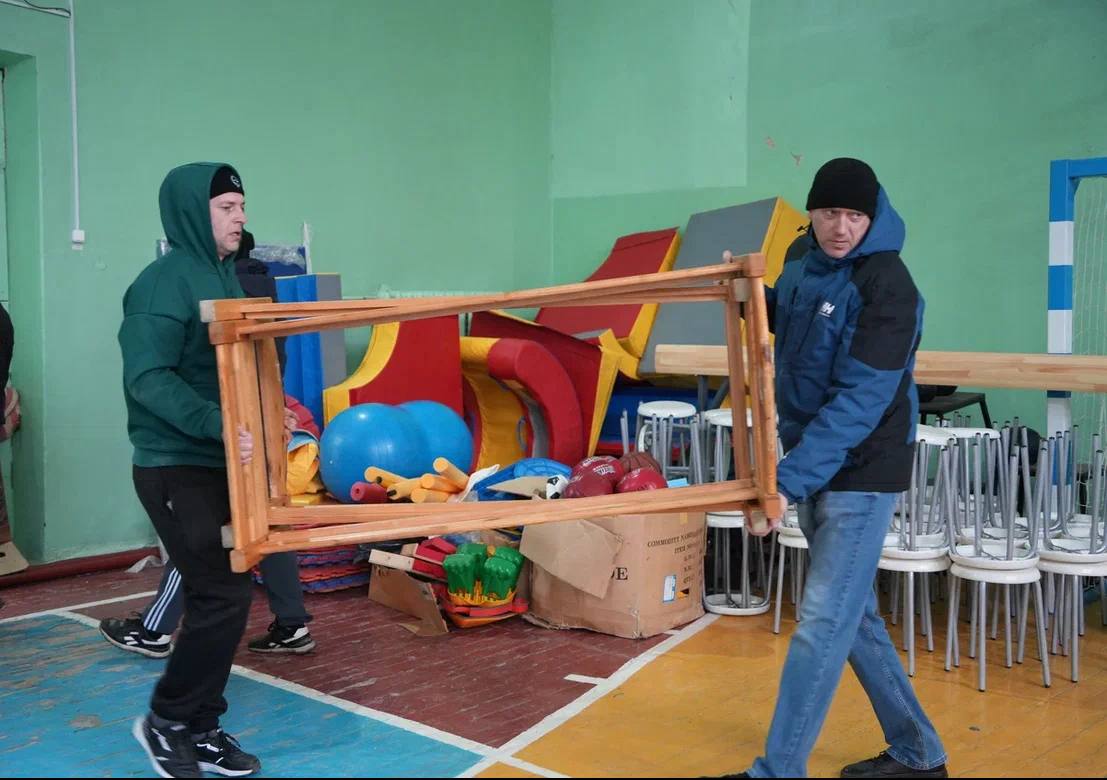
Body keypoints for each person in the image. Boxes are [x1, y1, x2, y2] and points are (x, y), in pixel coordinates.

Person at [723, 158, 947, 778]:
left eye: (853, 215)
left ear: (871, 217)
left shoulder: (888, 285)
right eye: (828, 213)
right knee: (855, 618)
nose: (840, 227)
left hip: (863, 466)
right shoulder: (801, 258)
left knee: (823, 621)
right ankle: (920, 753)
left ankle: (777, 772)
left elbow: (858, 405)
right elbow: (793, 319)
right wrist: (748, 298)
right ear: (812, 213)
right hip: (812, 456)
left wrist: (784, 484)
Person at [120, 162, 285, 777]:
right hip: (174, 467)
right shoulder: (161, 285)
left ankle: (201, 726)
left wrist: (270, 415)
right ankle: (167, 720)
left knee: (229, 596)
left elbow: (238, 370)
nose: (240, 217)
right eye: (226, 207)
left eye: (241, 206)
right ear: (194, 212)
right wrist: (217, 422)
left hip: (222, 464)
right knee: (221, 593)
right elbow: (148, 378)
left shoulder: (226, 279)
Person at [102, 229, 314, 660]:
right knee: (265, 523)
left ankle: (155, 629)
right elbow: (273, 361)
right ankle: (292, 625)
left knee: (199, 535)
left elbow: (168, 376)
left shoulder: (217, 288)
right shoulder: (264, 290)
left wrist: (219, 422)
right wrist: (273, 410)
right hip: (256, 420)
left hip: (223, 431)